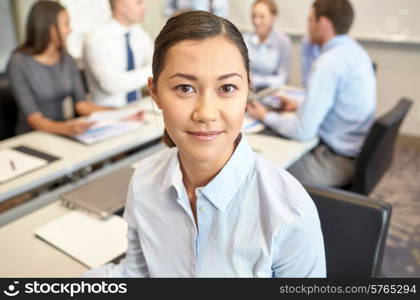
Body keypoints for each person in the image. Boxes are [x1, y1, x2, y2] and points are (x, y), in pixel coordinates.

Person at [84, 11, 325, 278]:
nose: (206, 113)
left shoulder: (290, 213)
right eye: (185, 88)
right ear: (155, 93)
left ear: (248, 91)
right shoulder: (144, 183)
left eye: (227, 88)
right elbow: (137, 274)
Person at [247, 0, 376, 187]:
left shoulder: (328, 64)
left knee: (266, 169)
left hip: (336, 161)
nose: (307, 28)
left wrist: (265, 115)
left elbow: (302, 131)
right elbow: (336, 103)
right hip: (353, 151)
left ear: (323, 23)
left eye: (310, 21)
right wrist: (299, 106)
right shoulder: (355, 52)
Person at [6, 1, 110, 136]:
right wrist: (67, 128)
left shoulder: (67, 59)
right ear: (49, 28)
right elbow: (34, 119)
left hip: (62, 131)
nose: (70, 30)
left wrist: (121, 112)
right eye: (66, 24)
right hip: (32, 136)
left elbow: (81, 105)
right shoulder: (18, 62)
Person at [83, 0, 153, 107]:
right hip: (107, 112)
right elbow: (111, 84)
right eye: (139, 2)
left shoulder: (141, 34)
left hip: (137, 106)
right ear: (120, 6)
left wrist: (155, 69)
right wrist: (153, 70)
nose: (145, 8)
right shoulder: (95, 39)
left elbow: (156, 65)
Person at [243, 0, 292, 91]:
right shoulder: (245, 39)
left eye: (262, 17)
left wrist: (255, 80)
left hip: (272, 93)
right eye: (253, 16)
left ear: (273, 17)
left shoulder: (283, 42)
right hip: (248, 92)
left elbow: (282, 78)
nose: (256, 21)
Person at [163, 0, 229, 18]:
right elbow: (166, 11)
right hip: (182, 26)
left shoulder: (219, 1)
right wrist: (176, 13)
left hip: (206, 28)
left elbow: (221, 17)